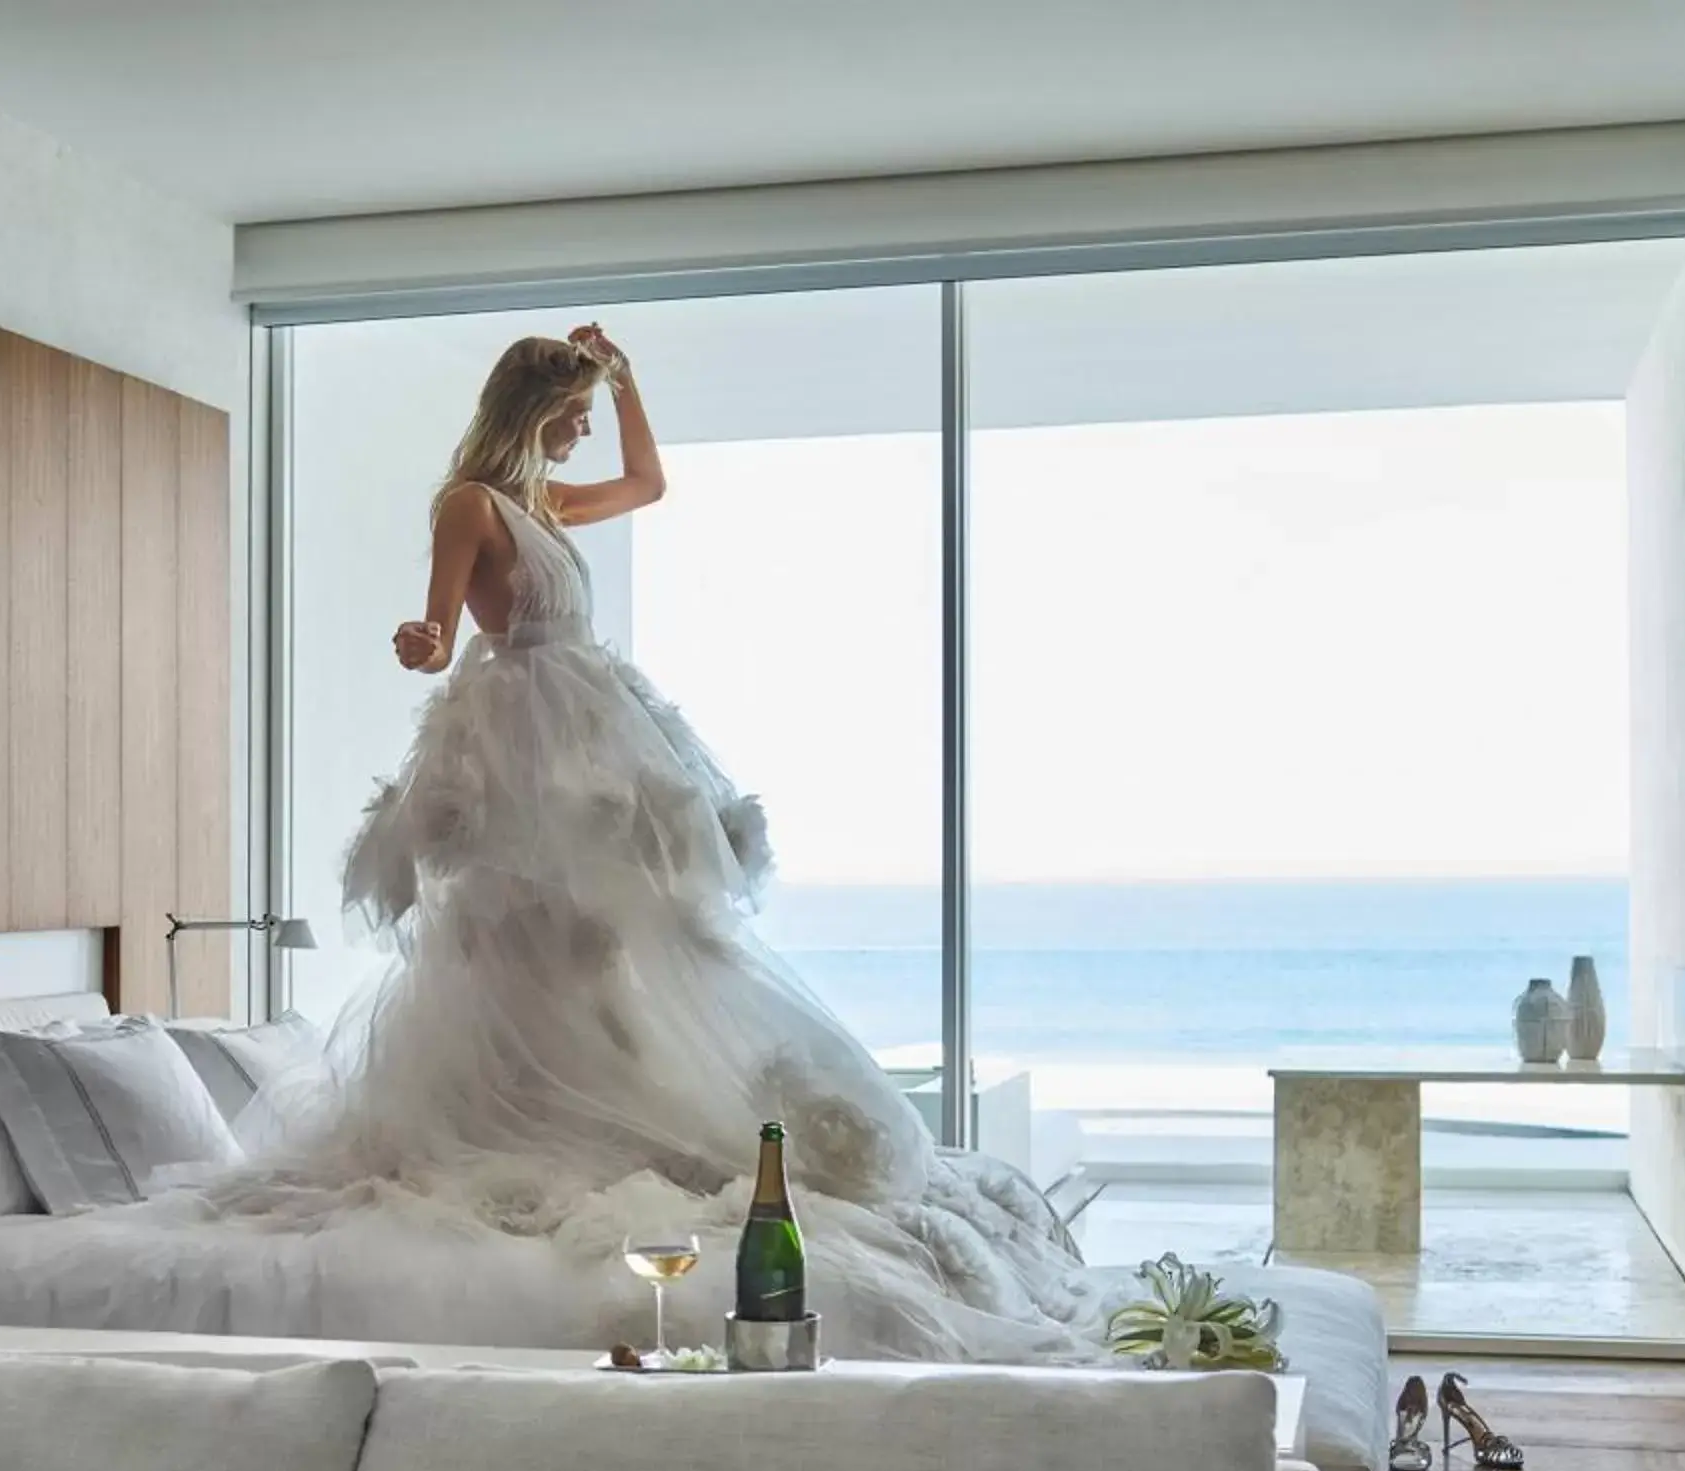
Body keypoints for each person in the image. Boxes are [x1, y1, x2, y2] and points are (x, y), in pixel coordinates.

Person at [199, 327, 1105, 1359]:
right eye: (574, 411)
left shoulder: (544, 500)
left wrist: (626, 379)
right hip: (524, 730)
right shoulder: (473, 505)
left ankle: (599, 1099)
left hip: (589, 719)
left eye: (587, 411)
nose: (584, 429)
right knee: (541, 933)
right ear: (529, 408)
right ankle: (539, 1111)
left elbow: (648, 481)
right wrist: (419, 641)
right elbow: (441, 633)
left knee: (632, 938)